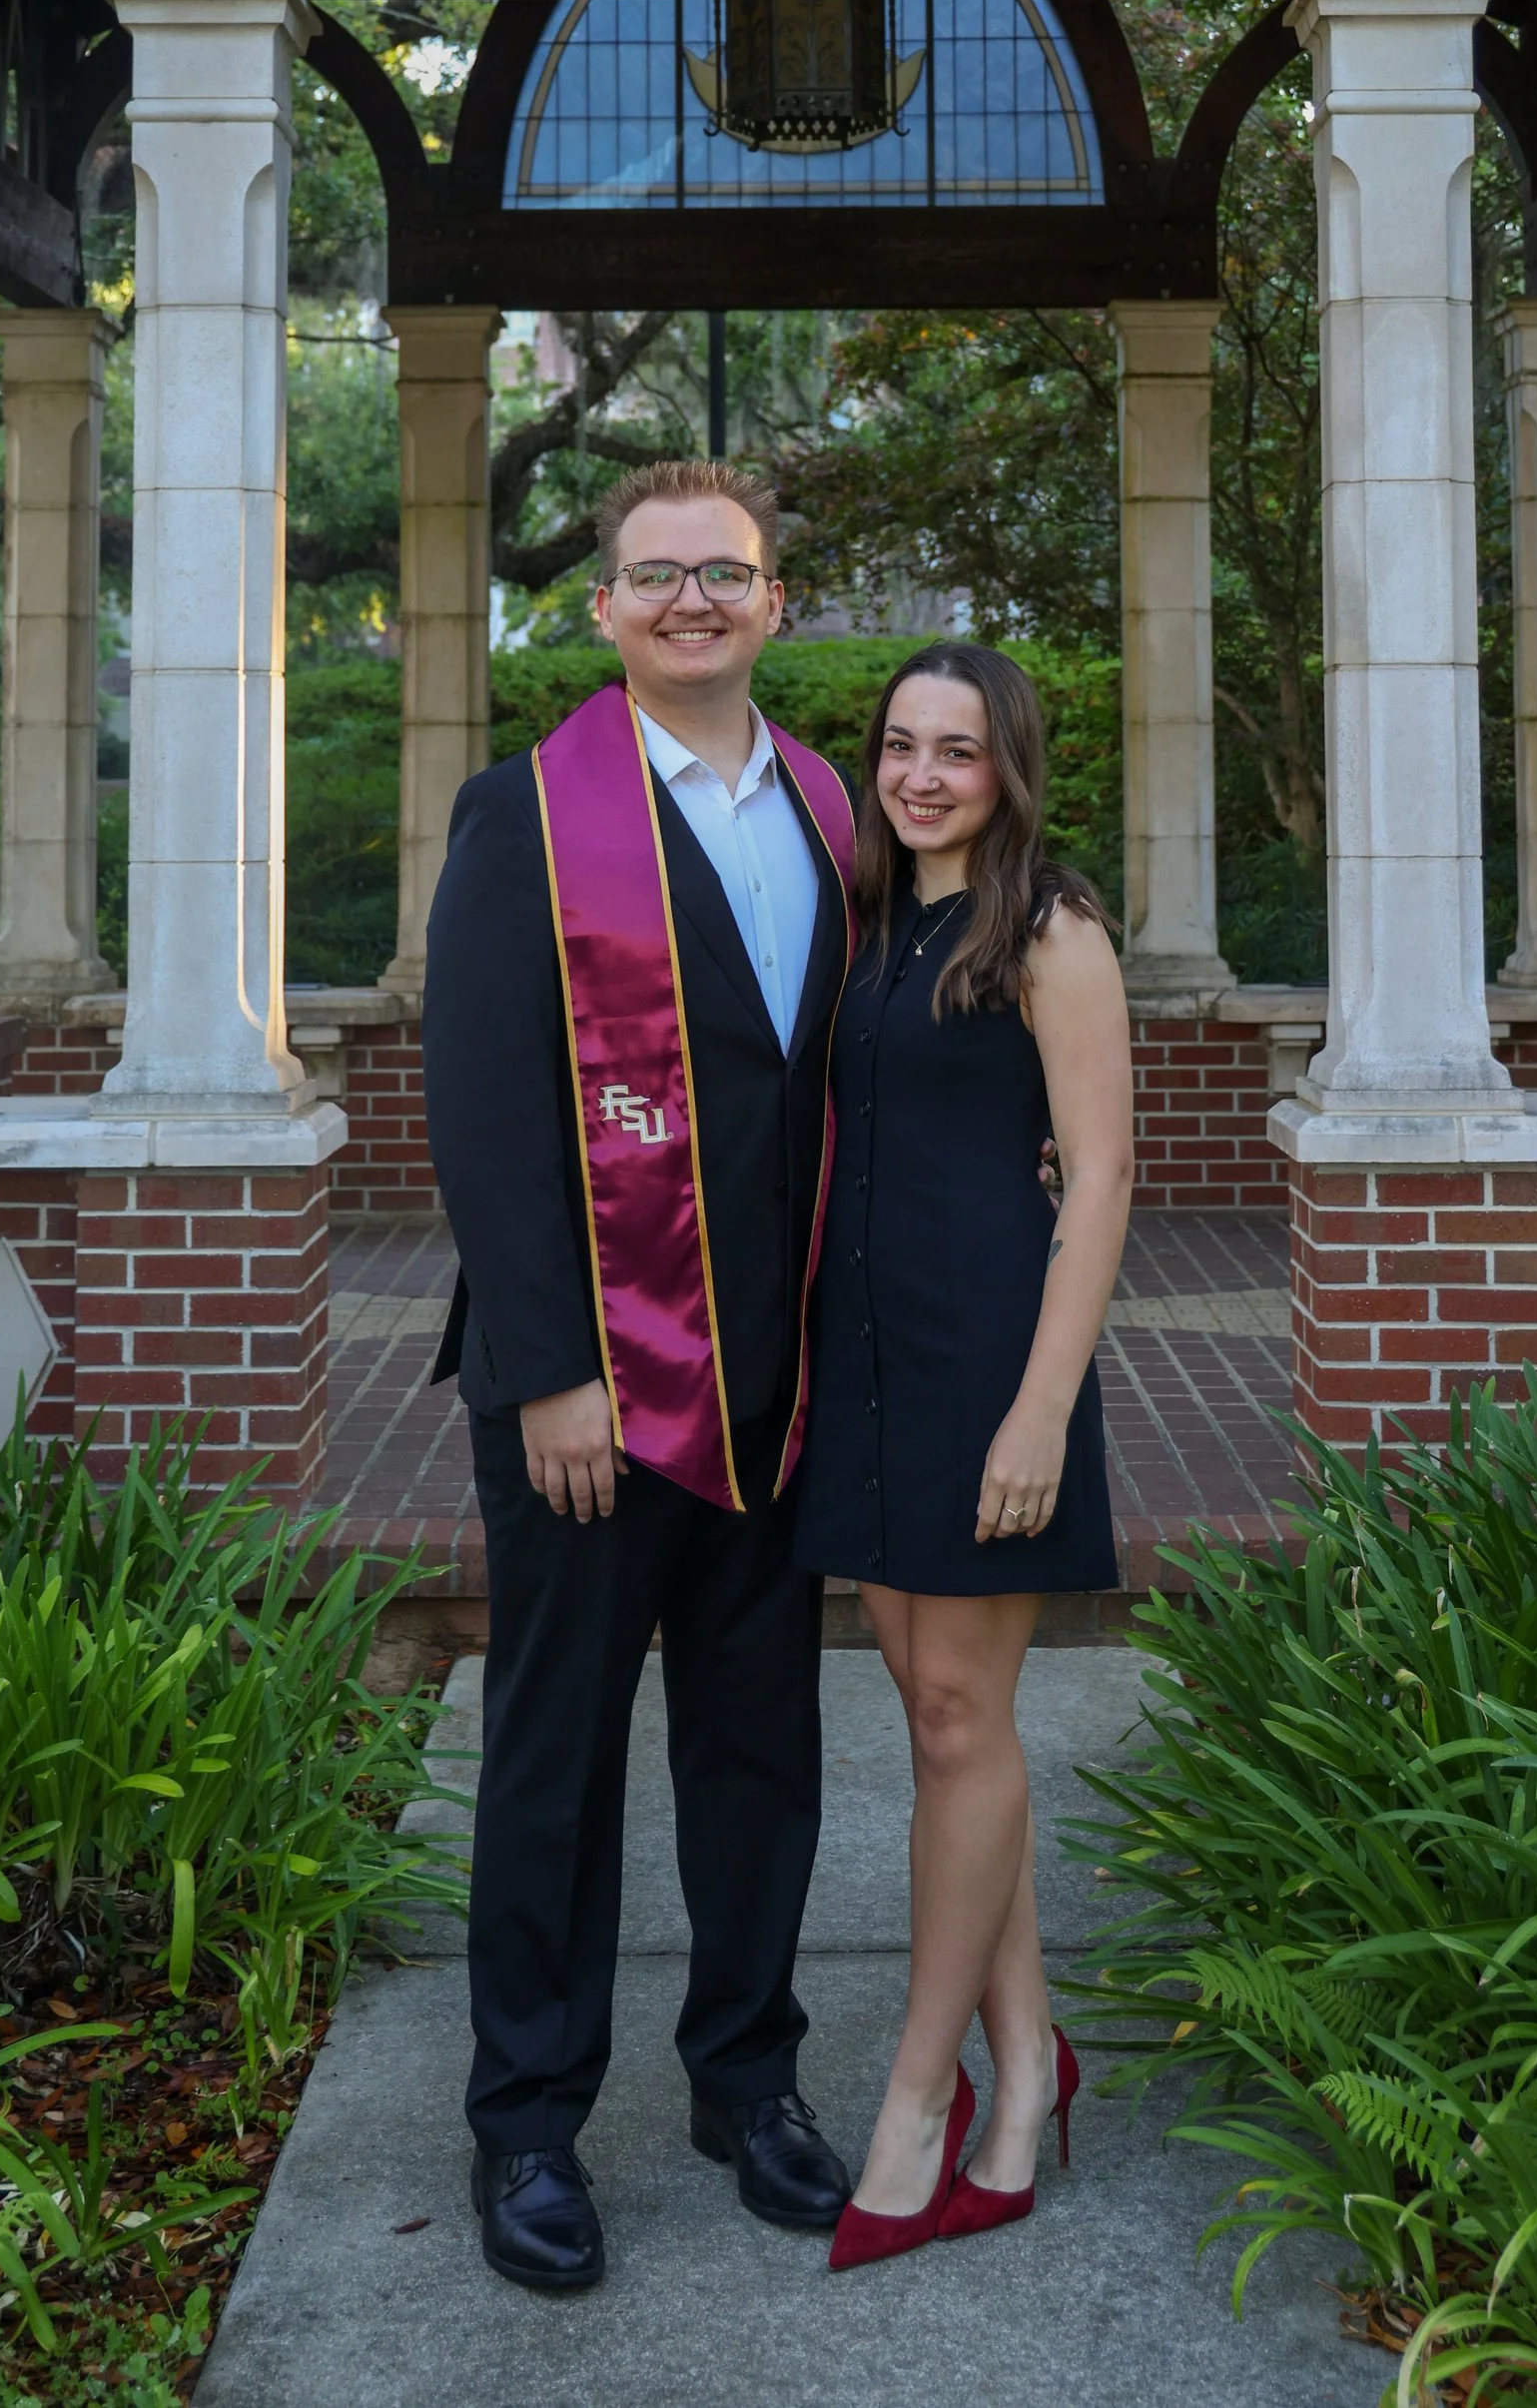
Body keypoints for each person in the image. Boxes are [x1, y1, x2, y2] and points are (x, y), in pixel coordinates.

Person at [419, 460, 860, 2295]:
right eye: (655, 575)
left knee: (761, 1751)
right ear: (599, 608)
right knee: (558, 1758)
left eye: (726, 574)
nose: (693, 600)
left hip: (782, 1380)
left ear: (773, 603)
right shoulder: (525, 814)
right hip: (592, 1391)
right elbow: (486, 1112)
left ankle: (745, 2082)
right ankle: (528, 2120)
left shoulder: (838, 809)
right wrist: (549, 1374)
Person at [789, 642, 1134, 2268]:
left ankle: (921, 2102)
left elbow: (1107, 1175)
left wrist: (1042, 1410)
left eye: (962, 752)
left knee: (956, 1717)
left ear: (1012, 770)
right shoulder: (870, 917)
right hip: (870, 1365)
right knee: (934, 1721)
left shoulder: (1050, 928)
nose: (924, 774)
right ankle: (1033, 2069)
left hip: (993, 1360)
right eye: (903, 746)